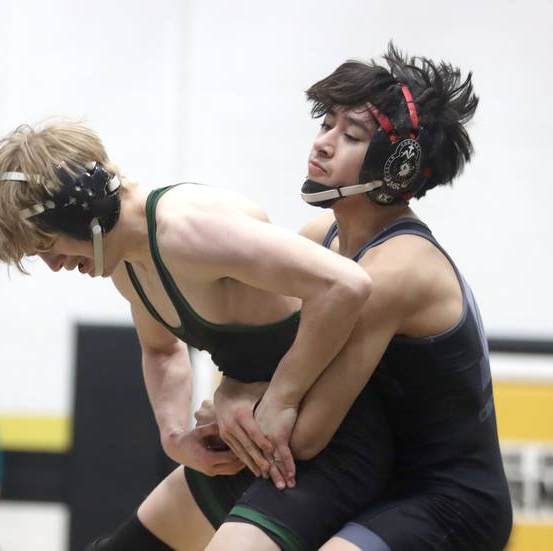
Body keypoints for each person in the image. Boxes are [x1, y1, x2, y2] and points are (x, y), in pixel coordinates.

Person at [0, 122, 394, 550]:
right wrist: (175, 436)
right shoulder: (128, 263)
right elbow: (161, 351)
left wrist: (280, 398)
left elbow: (346, 285)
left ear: (78, 208)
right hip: (257, 445)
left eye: (47, 245)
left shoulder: (188, 230)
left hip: (332, 442)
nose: (53, 265)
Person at [208, 44, 513, 550]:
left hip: (451, 500)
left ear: (398, 166)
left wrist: (246, 406)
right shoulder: (320, 234)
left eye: (350, 135)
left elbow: (304, 436)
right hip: (372, 472)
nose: (323, 144)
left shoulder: (397, 270)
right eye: (326, 124)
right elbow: (254, 346)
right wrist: (230, 395)